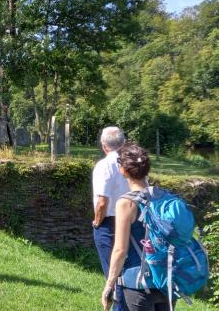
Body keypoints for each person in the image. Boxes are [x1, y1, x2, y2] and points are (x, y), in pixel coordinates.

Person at [102, 143, 172, 311]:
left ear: (123, 171)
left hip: (138, 281)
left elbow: (120, 250)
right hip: (165, 278)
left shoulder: (126, 203)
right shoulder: (163, 196)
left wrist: (109, 284)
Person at [92, 126, 129, 311]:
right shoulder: (131, 163)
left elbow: (102, 201)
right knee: (129, 272)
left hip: (110, 223)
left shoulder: (104, 166)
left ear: (104, 145)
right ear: (123, 144)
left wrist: (97, 222)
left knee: (113, 275)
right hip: (132, 221)